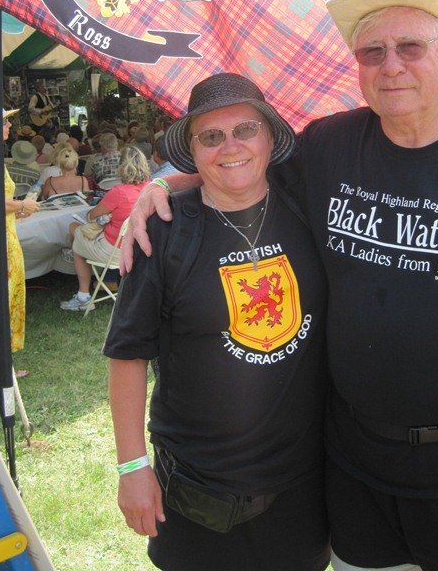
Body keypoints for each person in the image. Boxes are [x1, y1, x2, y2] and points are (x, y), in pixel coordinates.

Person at [125, 0, 438, 571]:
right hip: (356, 470)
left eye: (409, 47)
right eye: (372, 52)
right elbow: (240, 164)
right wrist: (162, 185)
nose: (391, 66)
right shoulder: (330, 145)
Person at [104, 74, 329, 571]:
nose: (230, 146)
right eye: (210, 136)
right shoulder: (162, 230)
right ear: (192, 150)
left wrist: (160, 179)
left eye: (245, 129)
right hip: (198, 490)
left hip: (302, 484)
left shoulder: (307, 205)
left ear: (270, 137)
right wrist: (132, 466)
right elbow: (127, 354)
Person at [60, 146, 149, 312]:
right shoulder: (150, 188)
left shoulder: (119, 192)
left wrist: (104, 216)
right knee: (77, 232)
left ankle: (83, 297)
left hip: (116, 250)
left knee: (76, 237)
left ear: (122, 166)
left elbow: (91, 216)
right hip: (141, 249)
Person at [3, 109, 40, 375]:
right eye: (4, 120)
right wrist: (22, 204)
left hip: (6, 232)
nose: (9, 124)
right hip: (1, 240)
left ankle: (1, 361)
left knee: (9, 294)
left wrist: (17, 210)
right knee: (4, 297)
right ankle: (1, 364)